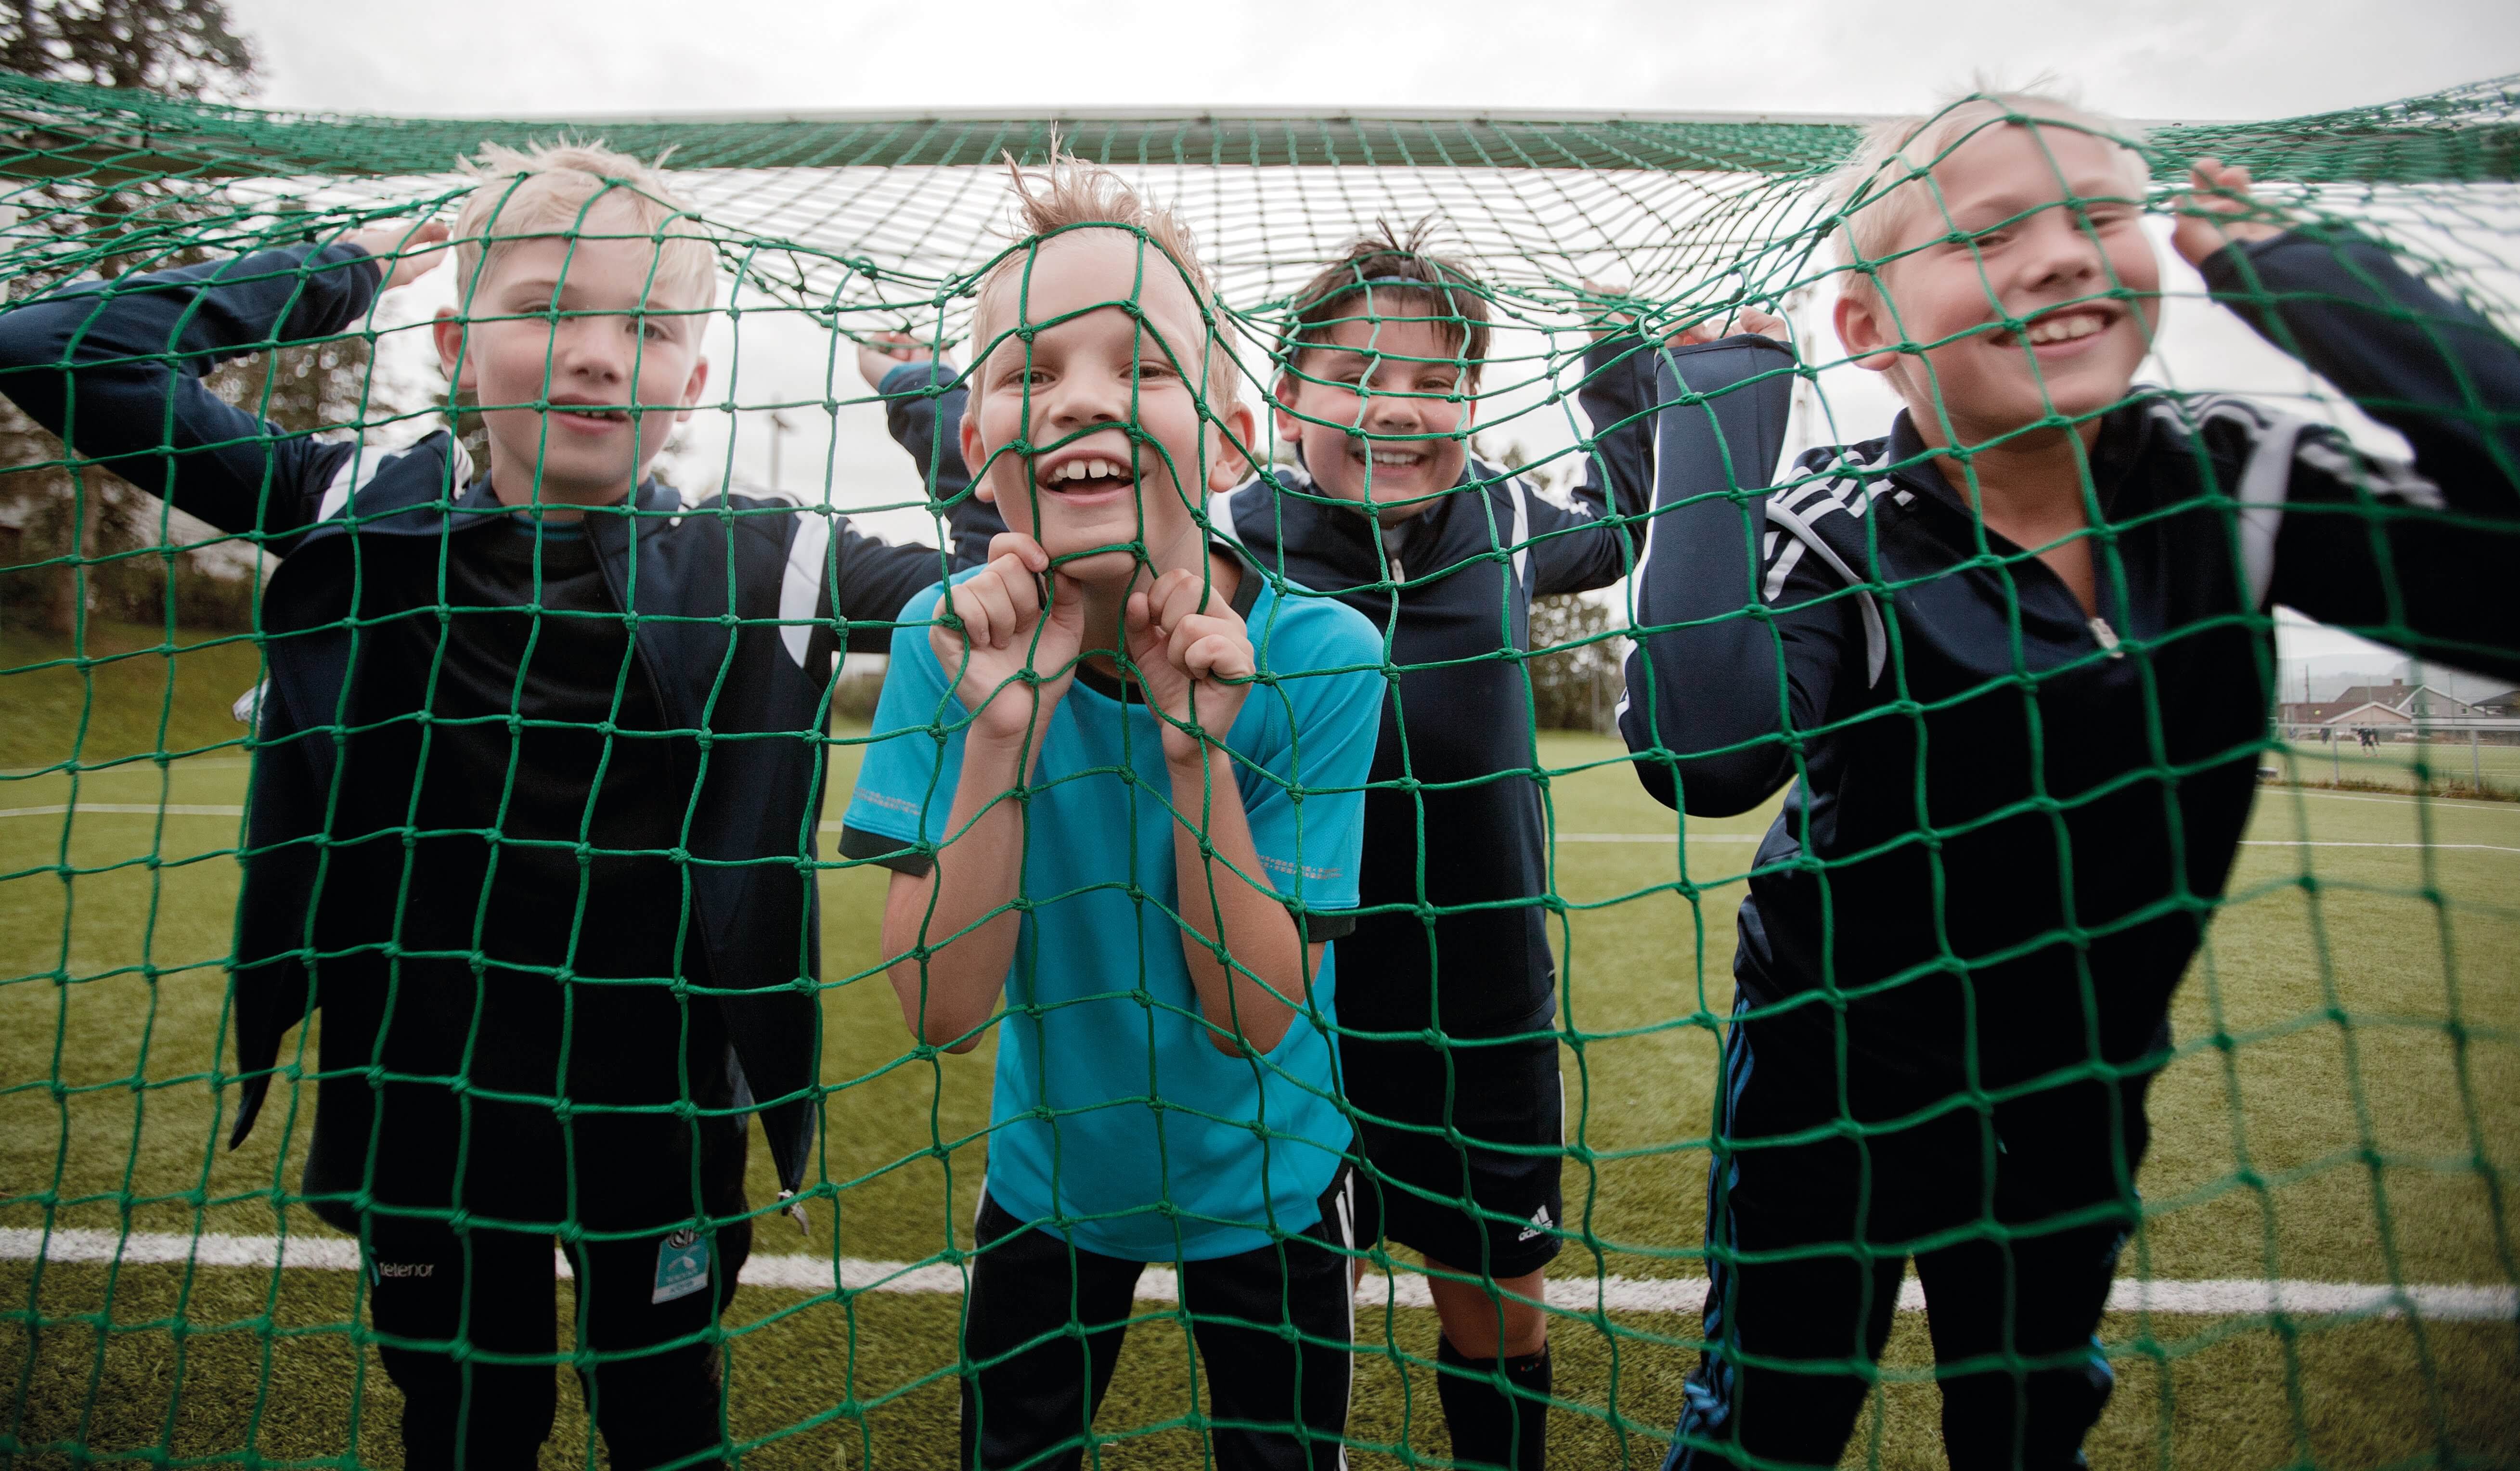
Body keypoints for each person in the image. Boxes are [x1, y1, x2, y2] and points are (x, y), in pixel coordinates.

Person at [0, 141, 981, 1468]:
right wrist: (340, 276)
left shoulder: (775, 558)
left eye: (643, 326)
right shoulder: (352, 508)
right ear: (462, 341)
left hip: (659, 1117)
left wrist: (921, 394)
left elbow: (1010, 578)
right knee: (468, 1420)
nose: (592, 354)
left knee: (663, 1418)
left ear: (691, 381)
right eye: (546, 308)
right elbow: (53, 348)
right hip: (427, 1105)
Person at [1612, 89, 2520, 1470]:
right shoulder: (1836, 528)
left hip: (2082, 1075)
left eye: (2097, 215)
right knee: (1768, 1424)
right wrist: (1714, 413)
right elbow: (1705, 750)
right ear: (1867, 330)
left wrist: (2303, 276)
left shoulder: (2227, 474)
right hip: (1832, 1078)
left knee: (2033, 1421)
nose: (2057, 255)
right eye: (1991, 234)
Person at [834, 154, 1385, 1471]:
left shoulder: (1321, 654)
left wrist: (1198, 762)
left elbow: (1253, 1016)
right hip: (1047, 1180)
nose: (1081, 399)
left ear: (1231, 433)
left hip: (1271, 1180)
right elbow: (940, 1012)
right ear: (975, 445)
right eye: (1028, 371)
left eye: (1138, 367)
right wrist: (1001, 736)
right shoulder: (940, 638)